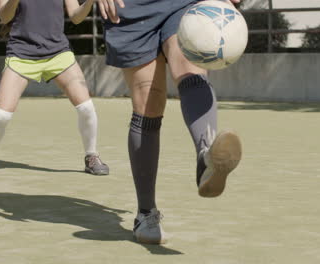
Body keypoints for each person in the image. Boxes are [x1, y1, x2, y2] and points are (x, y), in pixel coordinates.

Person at [100, 0, 243, 244]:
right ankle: (146, 213)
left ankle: (207, 156)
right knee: (148, 103)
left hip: (180, 4)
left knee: (190, 67)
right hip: (129, 9)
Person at [0, 0, 111, 178]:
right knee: (2, 115)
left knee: (86, 108)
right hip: (21, 54)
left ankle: (92, 156)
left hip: (58, 53)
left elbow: (76, 17)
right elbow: (4, 17)